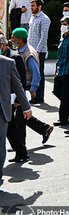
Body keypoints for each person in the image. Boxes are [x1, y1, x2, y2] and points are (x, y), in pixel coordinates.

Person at [0, 49, 32, 187]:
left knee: (0, 146)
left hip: (1, 111)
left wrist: (26, 107)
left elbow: (18, 85)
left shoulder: (8, 63)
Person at [27, 0, 50, 104]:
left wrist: (38, 50)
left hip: (38, 51)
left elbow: (44, 36)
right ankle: (33, 95)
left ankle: (39, 96)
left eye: (33, 6)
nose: (31, 8)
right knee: (32, 73)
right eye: (31, 5)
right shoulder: (32, 17)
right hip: (30, 50)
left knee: (39, 73)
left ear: (39, 6)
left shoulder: (44, 19)